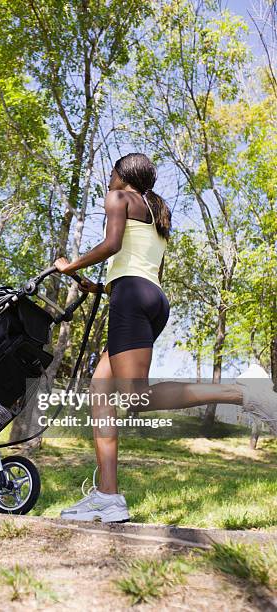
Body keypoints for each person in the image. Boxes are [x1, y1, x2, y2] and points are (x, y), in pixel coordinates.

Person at [54, 152, 277, 523]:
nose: (108, 180)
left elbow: (111, 245)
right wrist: (97, 286)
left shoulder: (119, 198)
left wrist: (70, 265)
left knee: (134, 398)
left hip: (132, 299)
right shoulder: (153, 210)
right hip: (149, 298)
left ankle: (242, 393)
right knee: (101, 390)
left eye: (111, 173)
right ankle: (108, 497)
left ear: (122, 176)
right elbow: (136, 268)